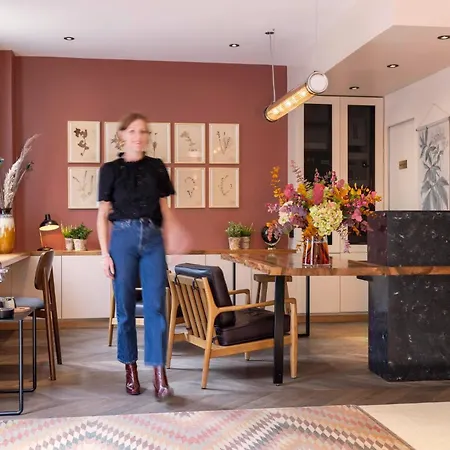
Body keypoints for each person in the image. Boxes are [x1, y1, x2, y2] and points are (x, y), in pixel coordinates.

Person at [97, 112, 191, 400]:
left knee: (156, 308)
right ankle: (131, 370)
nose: (139, 137)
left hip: (152, 239)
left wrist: (175, 234)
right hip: (122, 239)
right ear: (122, 135)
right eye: (133, 131)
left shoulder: (156, 167)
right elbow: (102, 215)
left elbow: (164, 209)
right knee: (125, 309)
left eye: (144, 132)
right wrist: (105, 254)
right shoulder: (110, 170)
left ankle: (159, 374)